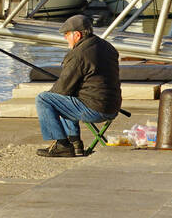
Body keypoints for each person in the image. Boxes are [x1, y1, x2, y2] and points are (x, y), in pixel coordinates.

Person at [34, 13, 122, 157]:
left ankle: (62, 145)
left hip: (96, 109)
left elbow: (61, 90)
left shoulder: (78, 54)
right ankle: (75, 144)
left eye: (67, 34)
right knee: (70, 95)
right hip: (112, 106)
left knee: (43, 99)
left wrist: (50, 95)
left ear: (78, 35)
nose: (65, 38)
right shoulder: (106, 46)